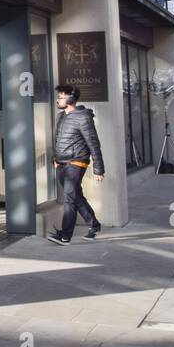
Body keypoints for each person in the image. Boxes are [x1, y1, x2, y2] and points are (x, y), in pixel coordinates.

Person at [48, 84, 105, 245]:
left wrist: (98, 169)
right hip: (61, 163)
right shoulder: (61, 116)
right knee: (75, 196)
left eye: (61, 97)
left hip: (76, 162)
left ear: (71, 99)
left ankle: (65, 236)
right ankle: (94, 224)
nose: (58, 99)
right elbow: (58, 139)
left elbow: (93, 143)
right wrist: (55, 159)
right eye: (58, 96)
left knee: (68, 198)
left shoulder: (83, 117)